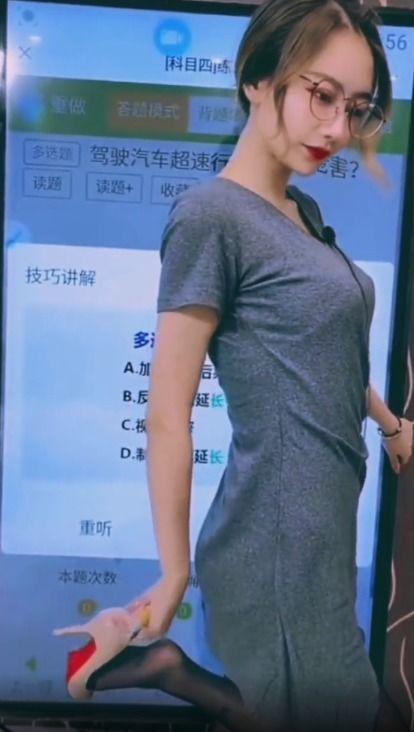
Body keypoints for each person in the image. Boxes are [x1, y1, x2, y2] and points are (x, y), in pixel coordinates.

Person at [66, 1, 414, 731]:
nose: (338, 130)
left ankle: (170, 670)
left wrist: (388, 424)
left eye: (356, 108)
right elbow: (167, 413)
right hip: (273, 541)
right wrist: (175, 570)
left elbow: (324, 354)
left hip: (321, 527)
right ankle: (168, 666)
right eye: (323, 96)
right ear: (258, 79)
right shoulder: (211, 217)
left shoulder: (301, 211)